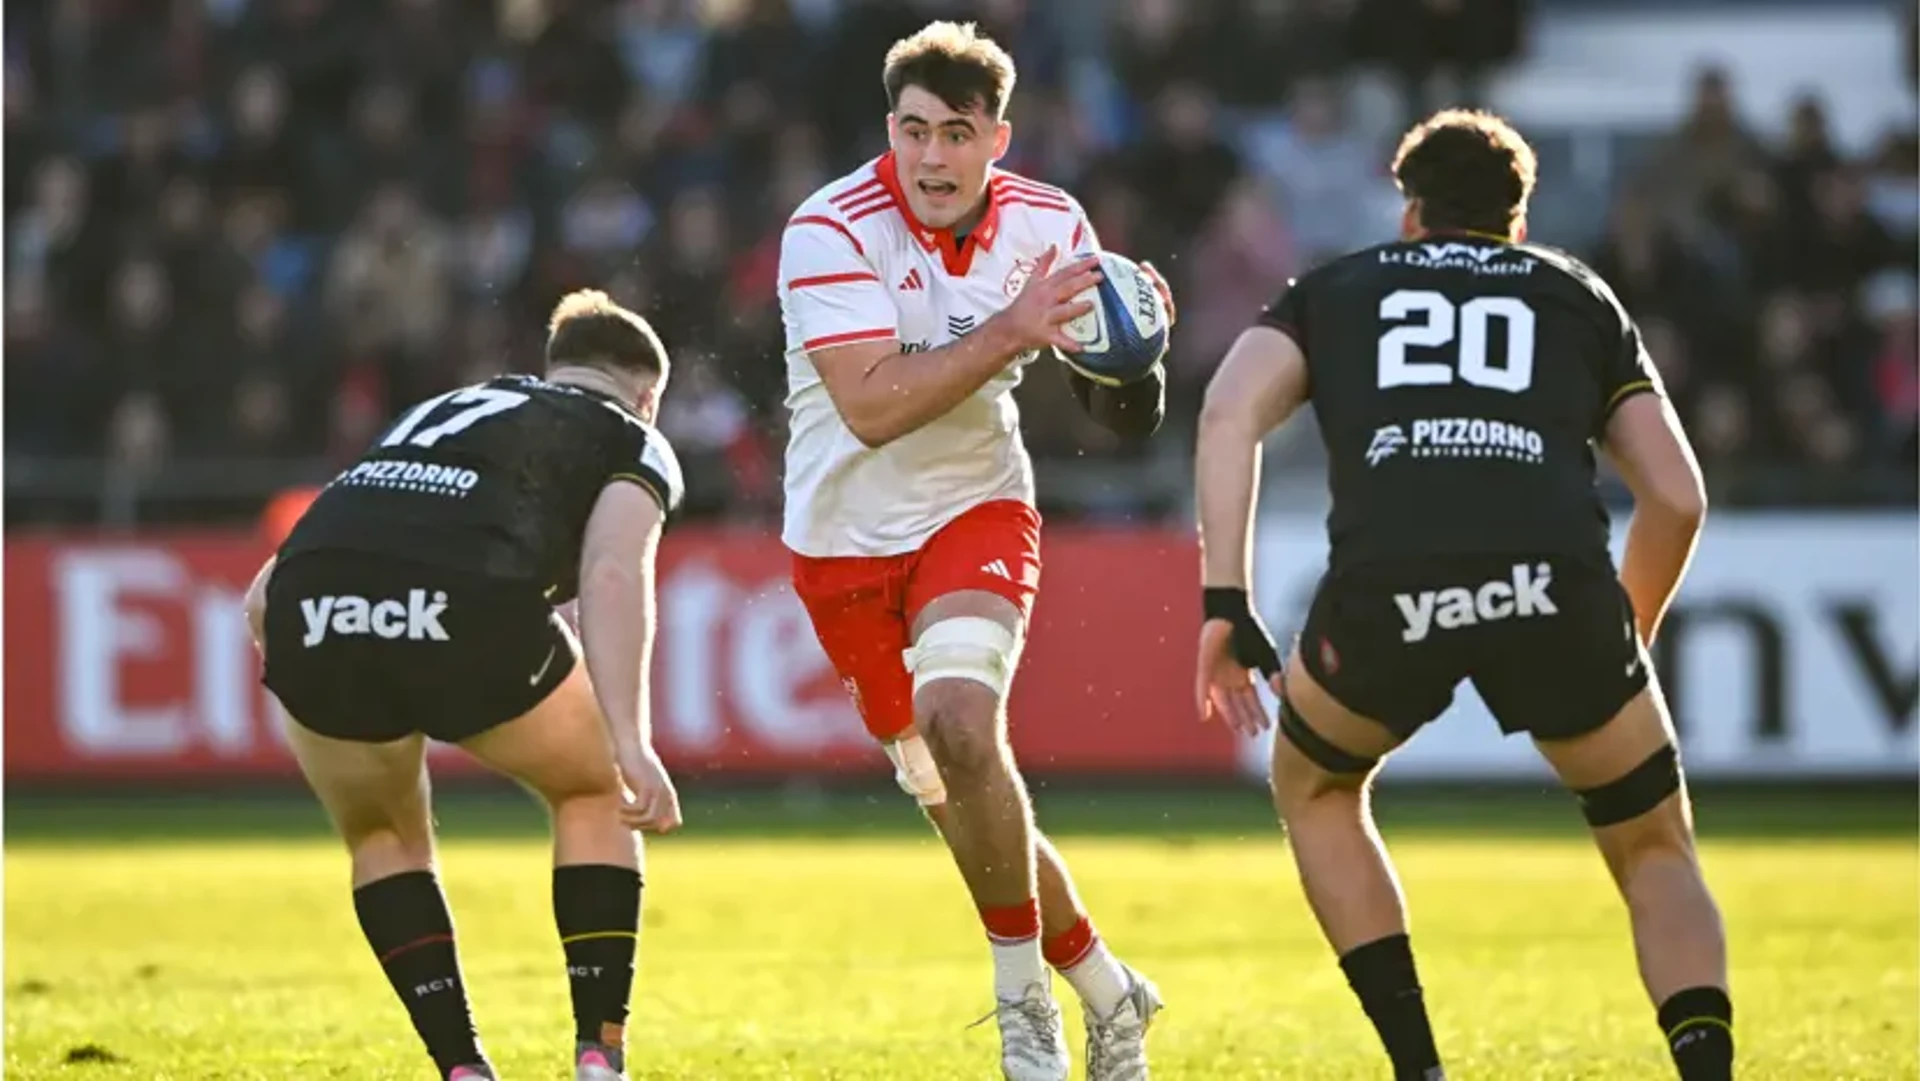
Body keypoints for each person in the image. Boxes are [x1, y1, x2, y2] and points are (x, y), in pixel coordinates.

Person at [1192, 109, 1733, 1081]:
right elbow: (1679, 496)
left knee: (1314, 787)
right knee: (1655, 845)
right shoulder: (1578, 294)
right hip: (1555, 581)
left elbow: (1230, 413)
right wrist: (1623, 633)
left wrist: (1226, 600)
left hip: (1388, 584)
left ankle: (1421, 1068)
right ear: (1518, 225)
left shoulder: (1335, 288)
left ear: (1410, 215)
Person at [776, 20, 1171, 1081]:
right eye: (914, 132)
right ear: (888, 132)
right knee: (959, 796)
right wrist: (1011, 331)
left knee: (961, 721)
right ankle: (1108, 988)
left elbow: (1118, 415)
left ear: (1000, 137)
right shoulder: (828, 230)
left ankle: (1021, 1008)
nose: (933, 159)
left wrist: (1132, 357)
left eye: (957, 134)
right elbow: (867, 409)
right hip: (843, 546)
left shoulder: (1052, 224)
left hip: (976, 508)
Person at [242, 290, 687, 1081]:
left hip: (311, 604)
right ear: (647, 396)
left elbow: (259, 599)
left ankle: (461, 1065)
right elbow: (614, 569)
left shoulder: (444, 407)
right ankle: (599, 1053)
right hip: (465, 602)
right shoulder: (629, 436)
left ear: (558, 367)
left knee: (383, 838)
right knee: (594, 791)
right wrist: (632, 741)